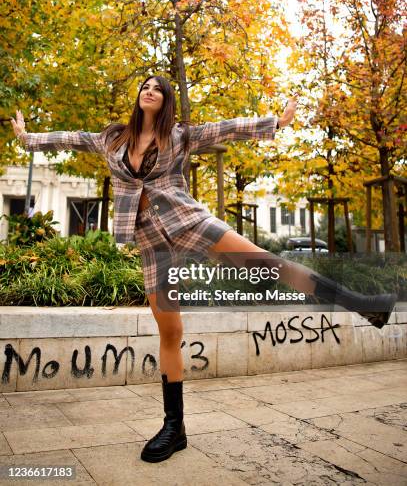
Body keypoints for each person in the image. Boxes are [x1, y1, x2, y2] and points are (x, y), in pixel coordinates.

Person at [10, 77, 397, 464]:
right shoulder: (112, 138)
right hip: (150, 241)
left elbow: (226, 128)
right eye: (145, 86)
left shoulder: (179, 135)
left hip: (188, 221)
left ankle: (363, 303)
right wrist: (29, 139)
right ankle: (174, 427)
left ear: (166, 100)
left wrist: (275, 123)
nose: (149, 91)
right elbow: (71, 138)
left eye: (158, 88)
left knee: (268, 264)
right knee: (170, 330)